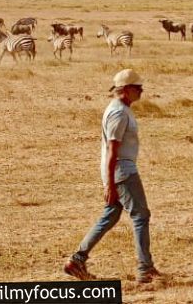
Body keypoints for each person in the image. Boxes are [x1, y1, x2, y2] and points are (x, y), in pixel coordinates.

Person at [64, 68, 160, 283]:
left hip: (119, 171)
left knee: (111, 215)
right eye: (138, 88)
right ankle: (145, 268)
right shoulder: (118, 112)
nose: (141, 92)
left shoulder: (121, 109)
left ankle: (77, 260)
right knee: (140, 216)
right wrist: (110, 183)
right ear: (126, 90)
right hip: (123, 171)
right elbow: (112, 150)